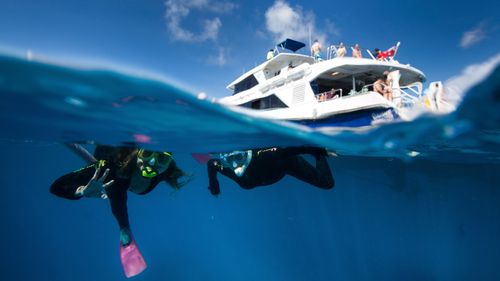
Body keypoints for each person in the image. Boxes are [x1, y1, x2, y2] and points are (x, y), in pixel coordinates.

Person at [50, 145, 191, 247]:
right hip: (109, 155)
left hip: (124, 176)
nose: (152, 163)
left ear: (169, 161)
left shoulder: (167, 169)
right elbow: (57, 187)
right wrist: (81, 190)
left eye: (161, 158)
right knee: (113, 186)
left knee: (116, 186)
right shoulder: (109, 168)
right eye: (147, 153)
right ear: (139, 151)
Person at [207, 146, 335, 196]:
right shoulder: (242, 179)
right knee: (327, 184)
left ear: (246, 154)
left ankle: (320, 156)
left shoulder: (263, 155)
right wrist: (214, 186)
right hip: (281, 167)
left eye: (239, 158)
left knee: (327, 183)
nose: (235, 166)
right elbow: (212, 163)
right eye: (229, 161)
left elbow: (290, 150)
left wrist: (318, 150)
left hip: (289, 163)